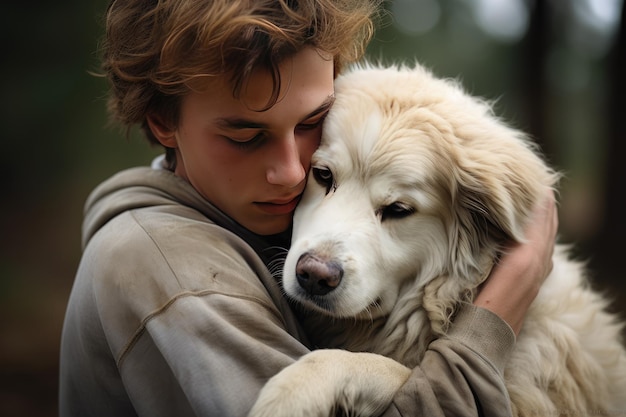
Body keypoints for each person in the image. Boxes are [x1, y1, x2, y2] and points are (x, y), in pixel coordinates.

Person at [59, 0, 558, 416]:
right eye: (246, 136)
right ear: (165, 123)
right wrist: (500, 312)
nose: (294, 173)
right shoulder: (175, 273)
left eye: (310, 123)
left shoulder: (241, 216)